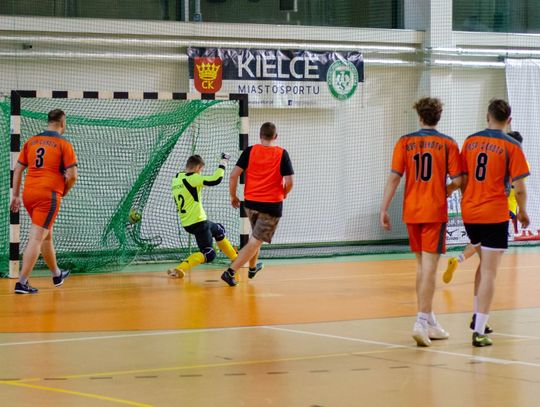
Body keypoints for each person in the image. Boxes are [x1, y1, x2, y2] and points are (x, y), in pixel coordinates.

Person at [380, 97, 462, 347]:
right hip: (434, 211)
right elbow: (459, 180)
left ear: (419, 117)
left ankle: (430, 320)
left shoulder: (404, 142)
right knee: (430, 269)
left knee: (421, 267)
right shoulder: (448, 143)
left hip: (412, 211)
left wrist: (384, 208)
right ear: (439, 117)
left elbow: (394, 178)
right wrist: (446, 190)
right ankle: (420, 321)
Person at [460, 99, 530, 347]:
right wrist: (522, 212)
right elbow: (519, 187)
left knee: (483, 266)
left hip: (470, 213)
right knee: (490, 272)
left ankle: (477, 317)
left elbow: (463, 178)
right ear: (509, 120)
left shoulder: (470, 141)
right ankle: (479, 331)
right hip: (494, 214)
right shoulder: (512, 145)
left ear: (487, 116)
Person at [10, 109, 78, 294]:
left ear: (48, 121)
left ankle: (57, 274)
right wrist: (63, 191)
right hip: (48, 197)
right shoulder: (63, 144)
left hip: (29, 195)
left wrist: (15, 195)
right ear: (63, 123)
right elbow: (72, 176)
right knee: (36, 238)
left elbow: (17, 170)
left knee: (46, 234)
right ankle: (22, 283)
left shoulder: (32, 141)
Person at [222, 122, 294, 287]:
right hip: (271, 206)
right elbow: (290, 182)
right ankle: (230, 272)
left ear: (260, 135)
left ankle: (253, 268)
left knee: (256, 237)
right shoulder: (282, 154)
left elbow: (233, 176)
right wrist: (284, 193)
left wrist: (233, 196)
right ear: (275, 137)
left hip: (250, 203)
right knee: (255, 240)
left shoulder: (250, 151)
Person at [167, 154, 238, 278]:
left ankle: (236, 259)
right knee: (209, 253)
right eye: (201, 170)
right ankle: (179, 269)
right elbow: (216, 180)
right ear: (197, 168)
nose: (201, 173)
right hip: (199, 223)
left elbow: (192, 187)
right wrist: (223, 162)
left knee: (219, 229)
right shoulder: (192, 178)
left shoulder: (177, 178)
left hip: (187, 223)